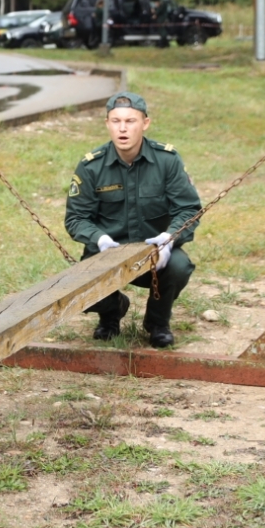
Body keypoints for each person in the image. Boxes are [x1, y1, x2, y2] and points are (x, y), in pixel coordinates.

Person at [64, 91, 202, 348]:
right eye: (116, 121)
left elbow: (189, 209)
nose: (123, 129)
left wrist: (168, 239)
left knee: (179, 266)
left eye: (131, 121)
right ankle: (111, 313)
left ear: (145, 123)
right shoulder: (91, 166)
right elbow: (76, 218)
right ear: (107, 124)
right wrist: (100, 239)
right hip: (107, 256)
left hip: (154, 255)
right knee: (79, 280)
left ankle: (158, 322)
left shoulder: (167, 161)